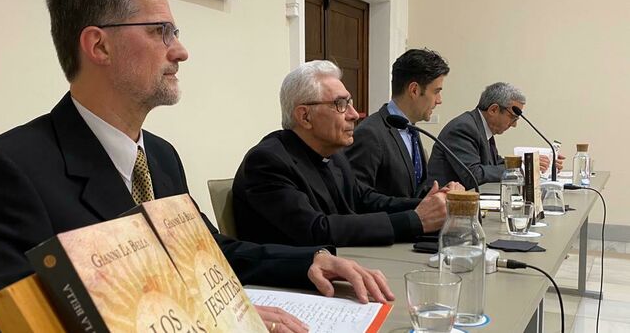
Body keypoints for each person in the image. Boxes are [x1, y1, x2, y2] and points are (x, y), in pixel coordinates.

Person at [0, 0, 393, 332]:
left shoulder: (160, 155)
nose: (181, 50)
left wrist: (308, 261)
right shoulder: (5, 172)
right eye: (161, 32)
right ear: (99, 45)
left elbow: (206, 251)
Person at [232, 60, 450, 248]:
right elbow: (316, 230)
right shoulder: (267, 162)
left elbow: (364, 200)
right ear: (305, 116)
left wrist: (425, 205)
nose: (354, 115)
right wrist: (414, 220)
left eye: (350, 103)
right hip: (292, 285)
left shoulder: (333, 153)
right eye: (340, 105)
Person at [345, 48, 463, 200]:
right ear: (414, 90)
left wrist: (442, 194)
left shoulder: (410, 128)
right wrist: (418, 208)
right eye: (436, 91)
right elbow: (359, 198)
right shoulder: (370, 133)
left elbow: (414, 190)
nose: (439, 100)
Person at [425, 82, 564, 189]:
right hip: (447, 209)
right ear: (494, 109)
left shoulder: (481, 127)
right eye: (513, 118)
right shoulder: (463, 128)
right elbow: (474, 175)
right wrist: (523, 168)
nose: (514, 125)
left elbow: (496, 163)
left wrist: (531, 162)